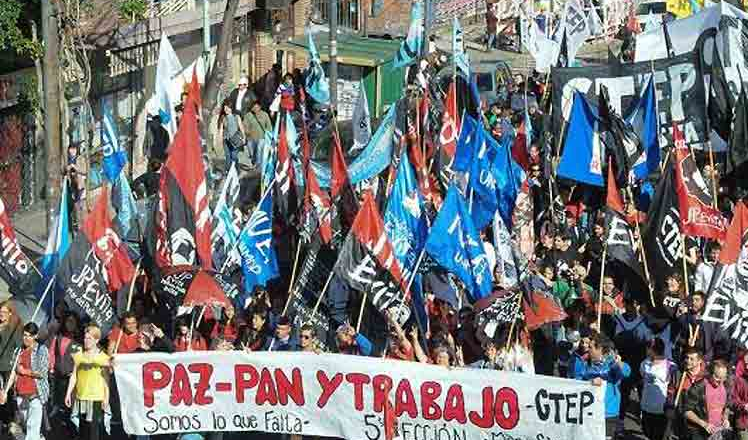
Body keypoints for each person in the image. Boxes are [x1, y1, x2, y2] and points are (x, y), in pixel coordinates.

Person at [574, 332, 631, 440]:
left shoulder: (612, 364)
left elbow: (626, 372)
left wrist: (619, 363)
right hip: (589, 412)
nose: (587, 349)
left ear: (599, 349)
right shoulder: (584, 363)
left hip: (608, 413)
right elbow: (577, 382)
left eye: (590, 347)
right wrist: (590, 382)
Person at [65, 325, 110, 440]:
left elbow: (106, 380)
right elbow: (74, 375)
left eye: (89, 338)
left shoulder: (103, 357)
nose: (86, 341)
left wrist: (106, 398)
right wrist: (68, 393)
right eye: (85, 338)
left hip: (96, 397)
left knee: (94, 430)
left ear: (96, 340)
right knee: (83, 429)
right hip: (81, 397)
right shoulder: (78, 355)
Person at [6, 323, 49, 440]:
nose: (26, 338)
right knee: (24, 426)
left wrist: (24, 371)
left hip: (35, 395)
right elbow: (13, 372)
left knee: (32, 427)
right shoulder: (18, 350)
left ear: (35, 336)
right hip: (20, 395)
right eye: (24, 335)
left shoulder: (41, 350)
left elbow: (42, 372)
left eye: (29, 336)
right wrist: (5, 391)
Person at [682, 359, 732, 440]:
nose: (720, 381)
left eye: (723, 377)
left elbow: (727, 406)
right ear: (710, 373)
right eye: (717, 377)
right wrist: (704, 424)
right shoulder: (698, 387)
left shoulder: (726, 385)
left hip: (718, 432)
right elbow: (686, 411)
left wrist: (725, 418)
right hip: (700, 432)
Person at [640, 338, 677, 440]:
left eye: (647, 348)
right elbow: (643, 377)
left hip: (661, 410)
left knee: (659, 436)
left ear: (652, 349)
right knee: (647, 433)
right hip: (646, 407)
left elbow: (674, 386)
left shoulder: (670, 366)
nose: (645, 350)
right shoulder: (644, 363)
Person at [216, 99, 246, 171]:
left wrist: (244, 137)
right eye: (225, 108)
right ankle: (228, 171)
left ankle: (235, 170)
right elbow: (221, 130)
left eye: (228, 108)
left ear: (231, 108)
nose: (226, 109)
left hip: (235, 140)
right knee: (228, 156)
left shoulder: (236, 116)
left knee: (234, 156)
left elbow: (241, 127)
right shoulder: (223, 117)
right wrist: (219, 139)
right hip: (226, 140)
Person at [242, 101, 272, 167]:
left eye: (257, 107)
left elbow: (269, 126)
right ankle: (254, 162)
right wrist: (247, 132)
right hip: (250, 138)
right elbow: (244, 125)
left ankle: (258, 165)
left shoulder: (265, 115)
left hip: (262, 137)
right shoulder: (248, 115)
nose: (255, 109)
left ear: (260, 107)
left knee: (259, 150)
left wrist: (269, 136)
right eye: (254, 107)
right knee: (252, 153)